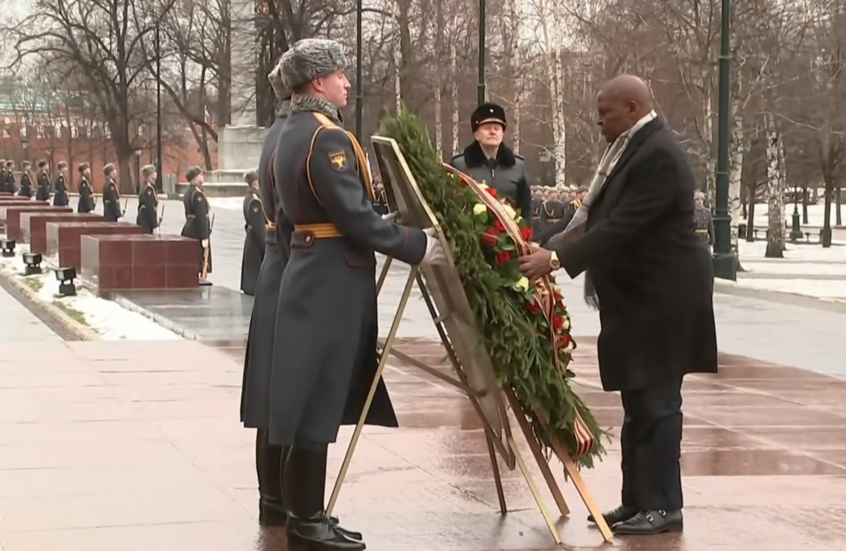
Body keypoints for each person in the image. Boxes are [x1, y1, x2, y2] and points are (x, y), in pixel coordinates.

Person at [518, 74, 717, 535]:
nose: (598, 120)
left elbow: (623, 225)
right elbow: (593, 215)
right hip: (640, 297)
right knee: (638, 402)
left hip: (663, 297)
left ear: (632, 108)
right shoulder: (633, 147)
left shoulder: (659, 155)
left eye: (605, 112)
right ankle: (637, 502)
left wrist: (557, 258)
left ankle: (664, 507)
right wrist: (541, 244)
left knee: (659, 404)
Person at [267, 38, 446, 551]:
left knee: (307, 399)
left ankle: (307, 512)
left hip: (310, 271)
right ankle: (306, 520)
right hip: (330, 281)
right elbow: (352, 217)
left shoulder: (290, 133)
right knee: (318, 400)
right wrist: (417, 243)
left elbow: (291, 219)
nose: (347, 81)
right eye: (339, 74)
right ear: (317, 82)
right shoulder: (327, 138)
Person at [240, 79, 293, 527]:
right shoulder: (298, 135)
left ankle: (273, 499)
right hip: (291, 274)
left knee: (272, 396)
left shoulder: (278, 131)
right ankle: (280, 500)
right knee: (284, 397)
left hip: (278, 272)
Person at [449, 103, 532, 223]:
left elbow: (525, 209)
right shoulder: (460, 165)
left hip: (509, 237)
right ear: (477, 135)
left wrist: (527, 237)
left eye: (497, 128)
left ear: (502, 134)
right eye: (487, 128)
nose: (492, 132)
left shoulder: (517, 166)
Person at [180, 166, 212, 284]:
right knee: (198, 256)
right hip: (197, 229)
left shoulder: (189, 191)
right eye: (200, 174)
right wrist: (204, 235)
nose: (202, 176)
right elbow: (201, 216)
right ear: (195, 177)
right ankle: (199, 276)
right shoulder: (197, 193)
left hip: (190, 226)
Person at [239, 170, 266, 295]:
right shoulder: (255, 200)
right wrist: (265, 243)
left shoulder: (251, 196)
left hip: (251, 237)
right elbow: (259, 225)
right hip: (255, 239)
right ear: (255, 182)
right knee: (255, 266)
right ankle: (253, 288)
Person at [136, 165, 159, 234]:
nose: (155, 174)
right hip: (146, 219)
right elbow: (150, 207)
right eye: (154, 172)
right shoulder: (148, 188)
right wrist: (155, 224)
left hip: (143, 216)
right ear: (150, 175)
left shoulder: (145, 185)